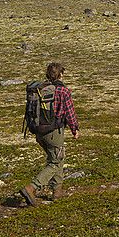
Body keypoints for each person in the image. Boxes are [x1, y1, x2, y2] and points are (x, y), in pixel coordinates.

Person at [20, 63, 79, 206]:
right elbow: (69, 112)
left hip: (40, 132)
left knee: (58, 157)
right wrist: (74, 128)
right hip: (54, 132)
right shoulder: (63, 91)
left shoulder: (41, 90)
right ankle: (32, 188)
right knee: (54, 162)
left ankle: (57, 190)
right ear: (60, 75)